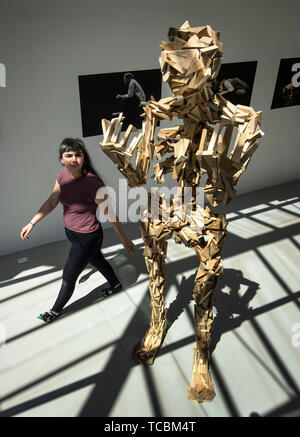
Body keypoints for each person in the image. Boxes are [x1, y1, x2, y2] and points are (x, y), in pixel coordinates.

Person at [20, 138, 135, 323]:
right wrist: (32, 223)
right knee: (97, 260)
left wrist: (125, 239)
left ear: (84, 158)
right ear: (62, 159)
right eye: (69, 155)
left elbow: (111, 214)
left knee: (69, 276)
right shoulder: (62, 175)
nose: (74, 159)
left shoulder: (93, 184)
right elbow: (52, 201)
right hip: (72, 232)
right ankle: (115, 284)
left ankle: (55, 311)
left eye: (78, 155)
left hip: (88, 237)